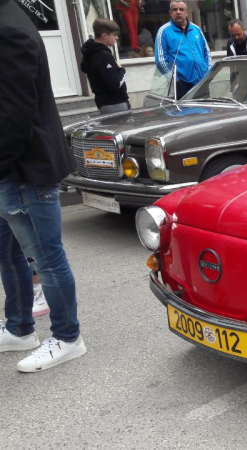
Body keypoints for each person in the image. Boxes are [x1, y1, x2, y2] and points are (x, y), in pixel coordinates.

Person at [0, 0, 87, 372]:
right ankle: (19, 329)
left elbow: (14, 114)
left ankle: (68, 337)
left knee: (46, 259)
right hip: (15, 168)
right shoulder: (11, 19)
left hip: (25, 170)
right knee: (9, 255)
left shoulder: (9, 29)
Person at [155, 0, 212, 100]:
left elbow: (206, 53)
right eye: (175, 9)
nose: (178, 12)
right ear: (170, 13)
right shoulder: (164, 31)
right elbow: (161, 61)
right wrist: (175, 79)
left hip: (201, 82)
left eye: (181, 9)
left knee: (204, 109)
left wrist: (206, 73)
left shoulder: (196, 29)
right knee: (184, 110)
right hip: (181, 85)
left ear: (187, 12)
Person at [80, 18, 130, 113]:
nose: (117, 38)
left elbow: (84, 68)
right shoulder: (105, 55)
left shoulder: (90, 52)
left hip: (102, 102)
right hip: (116, 102)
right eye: (114, 35)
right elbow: (115, 84)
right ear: (104, 36)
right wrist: (121, 70)